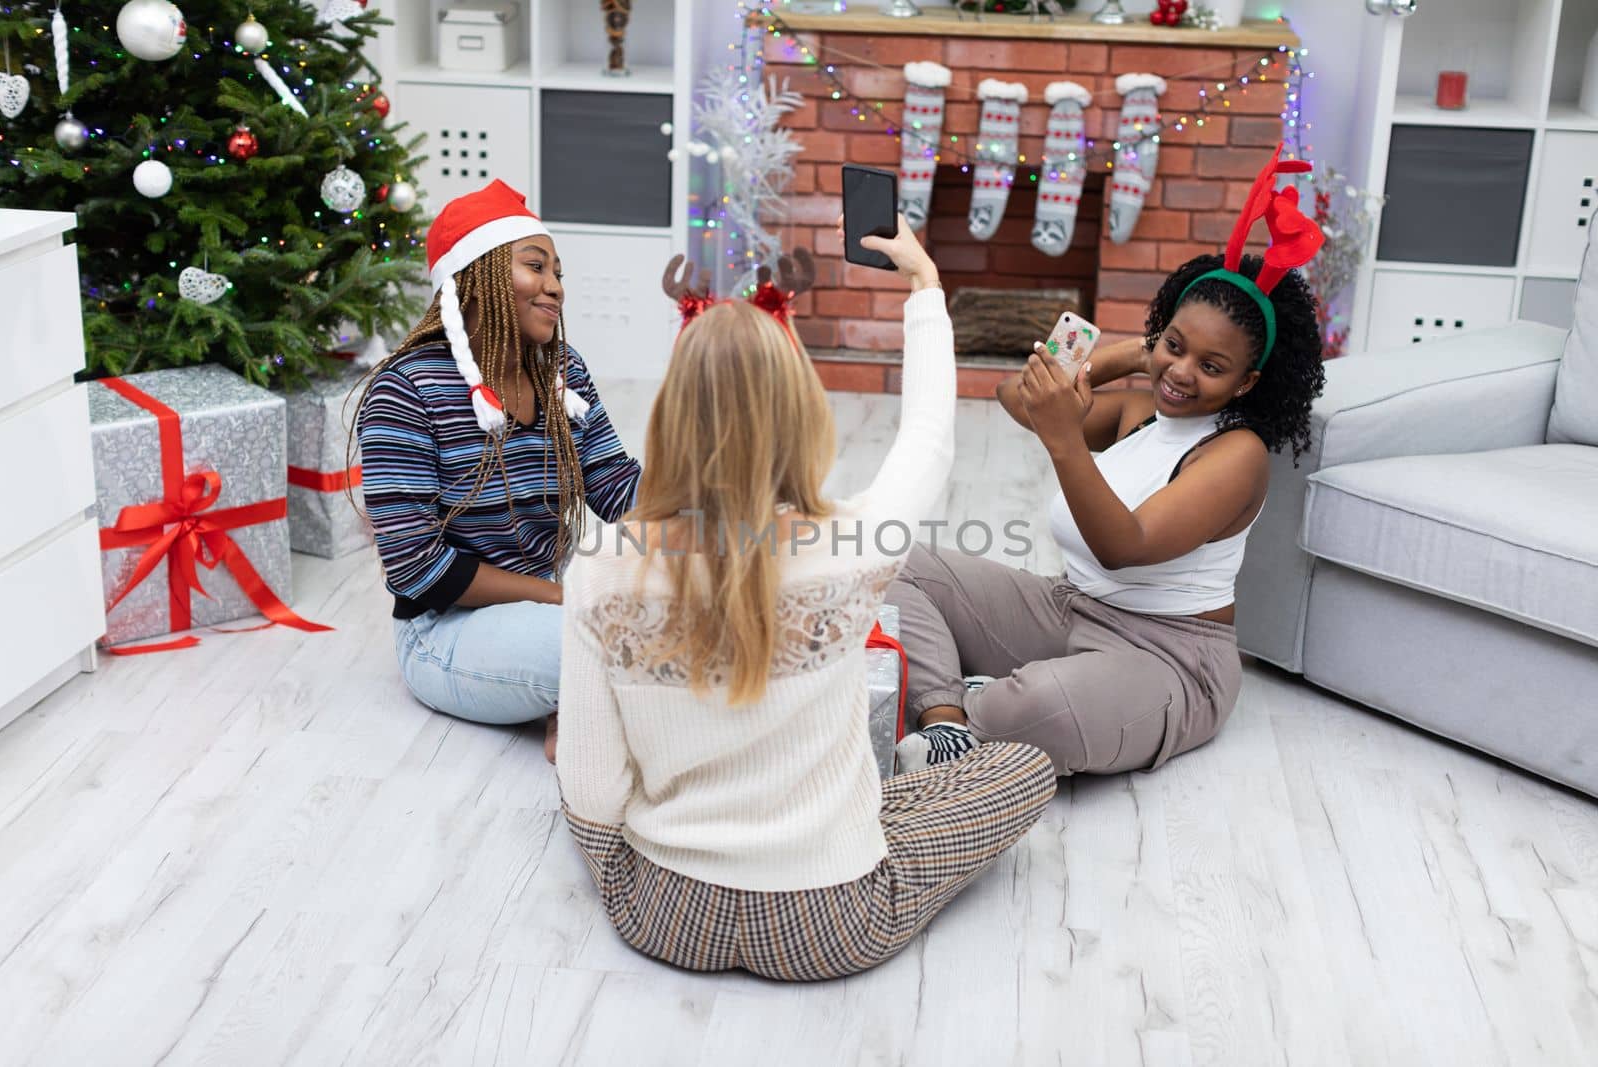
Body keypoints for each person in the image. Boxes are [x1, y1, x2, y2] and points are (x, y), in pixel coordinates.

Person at [555, 217, 1056, 982]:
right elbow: (929, 439)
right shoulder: (856, 544)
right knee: (1021, 768)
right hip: (831, 919)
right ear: (800, 413)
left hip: (659, 911)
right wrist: (925, 287)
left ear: (672, 412)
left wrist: (637, 870)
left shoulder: (600, 563)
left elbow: (592, 793)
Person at [890, 145, 1327, 777]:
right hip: (1069, 607)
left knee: (1043, 704)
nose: (1181, 374)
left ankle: (977, 707)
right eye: (1174, 347)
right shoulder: (1140, 410)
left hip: (1170, 655)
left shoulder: (1237, 453)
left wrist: (1067, 437)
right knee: (898, 560)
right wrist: (1125, 354)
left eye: (1211, 366)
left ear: (1248, 383)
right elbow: (1018, 399)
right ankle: (948, 723)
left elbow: (1124, 544)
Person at [354, 180, 641, 740]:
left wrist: (707, 502)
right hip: (445, 631)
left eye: (559, 273)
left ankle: (586, 723)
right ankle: (592, 732)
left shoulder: (562, 371)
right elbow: (419, 569)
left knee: (677, 626)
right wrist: (567, 600)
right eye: (536, 267)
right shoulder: (406, 389)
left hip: (544, 608)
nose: (554, 288)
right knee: (618, 647)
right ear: (478, 276)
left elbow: (612, 484)